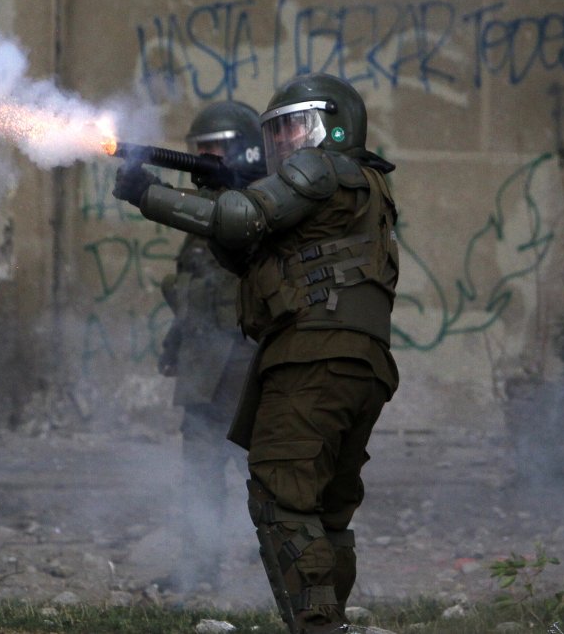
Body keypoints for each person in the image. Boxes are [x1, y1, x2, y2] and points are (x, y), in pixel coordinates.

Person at [113, 73, 400, 634]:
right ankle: (329, 619)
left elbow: (242, 219)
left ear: (335, 125)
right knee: (324, 512)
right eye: (278, 131)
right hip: (360, 362)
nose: (286, 142)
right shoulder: (361, 188)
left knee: (282, 498)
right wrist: (217, 199)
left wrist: (148, 194)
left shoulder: (323, 169)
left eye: (296, 127)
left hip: (311, 356)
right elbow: (254, 257)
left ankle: (317, 626)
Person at [156, 100, 265, 591]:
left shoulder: (258, 207)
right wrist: (174, 345)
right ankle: (198, 568)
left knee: (263, 477)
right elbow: (196, 290)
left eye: (214, 150)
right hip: (204, 371)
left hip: (245, 370)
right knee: (199, 476)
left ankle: (288, 572)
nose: (204, 159)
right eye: (199, 149)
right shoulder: (208, 213)